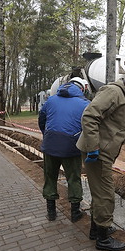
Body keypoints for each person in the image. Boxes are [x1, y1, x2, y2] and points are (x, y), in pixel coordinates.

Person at [76, 68, 125, 251]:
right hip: (96, 153)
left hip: (103, 152)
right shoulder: (113, 92)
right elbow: (89, 116)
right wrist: (93, 147)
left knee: (99, 192)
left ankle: (96, 230)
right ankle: (103, 239)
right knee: (106, 194)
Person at [38, 77, 91, 222]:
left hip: (50, 144)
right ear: (82, 89)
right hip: (71, 146)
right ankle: (75, 213)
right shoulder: (85, 104)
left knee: (50, 178)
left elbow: (41, 120)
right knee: (73, 178)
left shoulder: (51, 100)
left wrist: (47, 135)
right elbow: (90, 127)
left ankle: (51, 213)